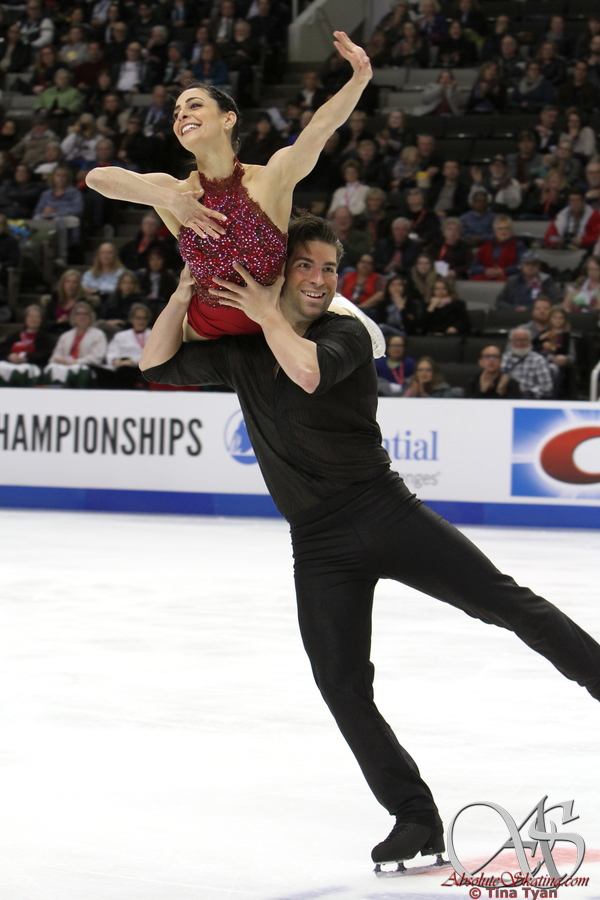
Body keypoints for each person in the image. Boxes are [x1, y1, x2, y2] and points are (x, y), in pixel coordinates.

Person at [140, 216, 600, 873]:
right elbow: (155, 364)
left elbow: (305, 373)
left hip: (385, 512)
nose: (321, 279)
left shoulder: (346, 332)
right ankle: (414, 815)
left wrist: (266, 312)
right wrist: (185, 293)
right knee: (340, 681)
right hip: (319, 544)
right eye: (306, 265)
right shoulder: (243, 352)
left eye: (330, 268)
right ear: (279, 270)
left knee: (506, 603)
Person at [86, 32, 379, 345]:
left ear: (228, 119)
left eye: (194, 105)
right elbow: (97, 178)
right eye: (177, 113)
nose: (182, 114)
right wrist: (173, 201)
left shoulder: (269, 179)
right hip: (203, 333)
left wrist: (359, 79)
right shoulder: (177, 191)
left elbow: (320, 128)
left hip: (273, 326)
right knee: (151, 362)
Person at [44, 300, 107, 387]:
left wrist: (75, 362)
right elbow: (56, 354)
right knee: (51, 368)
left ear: (91, 317)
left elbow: (96, 357)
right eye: (79, 314)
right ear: (74, 317)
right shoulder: (65, 335)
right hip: (65, 365)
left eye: (85, 314)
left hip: (85, 366)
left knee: (79, 369)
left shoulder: (98, 334)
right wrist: (59, 359)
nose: (82, 317)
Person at [0, 304, 55, 386]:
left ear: (41, 320)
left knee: (25, 370)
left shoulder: (46, 338)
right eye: (31, 316)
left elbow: (44, 354)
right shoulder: (14, 336)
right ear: (26, 318)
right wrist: (9, 355)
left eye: (37, 317)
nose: (34, 319)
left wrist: (26, 358)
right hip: (11, 363)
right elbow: (3, 348)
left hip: (31, 365)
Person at [105, 301, 152, 388]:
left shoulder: (153, 335)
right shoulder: (121, 335)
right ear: (132, 319)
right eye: (138, 318)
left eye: (144, 318)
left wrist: (132, 362)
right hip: (120, 365)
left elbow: (152, 355)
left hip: (141, 368)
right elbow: (112, 351)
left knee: (125, 371)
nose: (141, 321)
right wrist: (115, 361)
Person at [500, 327, 554, 399]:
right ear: (510, 342)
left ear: (529, 342)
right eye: (517, 340)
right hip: (505, 398)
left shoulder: (538, 360)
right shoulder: (503, 358)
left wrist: (529, 393)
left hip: (528, 400)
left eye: (524, 340)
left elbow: (547, 388)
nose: (520, 343)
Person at [495, 252, 561, 310]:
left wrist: (528, 309)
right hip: (514, 314)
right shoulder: (513, 280)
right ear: (521, 266)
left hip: (539, 314)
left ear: (539, 266)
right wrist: (514, 309)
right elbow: (499, 302)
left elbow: (554, 302)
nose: (530, 267)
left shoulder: (546, 280)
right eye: (527, 264)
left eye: (534, 264)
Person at [470, 216, 525, 281]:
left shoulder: (519, 245)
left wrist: (505, 271)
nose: (503, 231)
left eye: (507, 228)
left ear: (511, 230)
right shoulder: (485, 245)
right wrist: (485, 270)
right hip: (486, 277)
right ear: (495, 231)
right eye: (500, 229)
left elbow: (522, 265)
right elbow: (474, 266)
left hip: (508, 277)